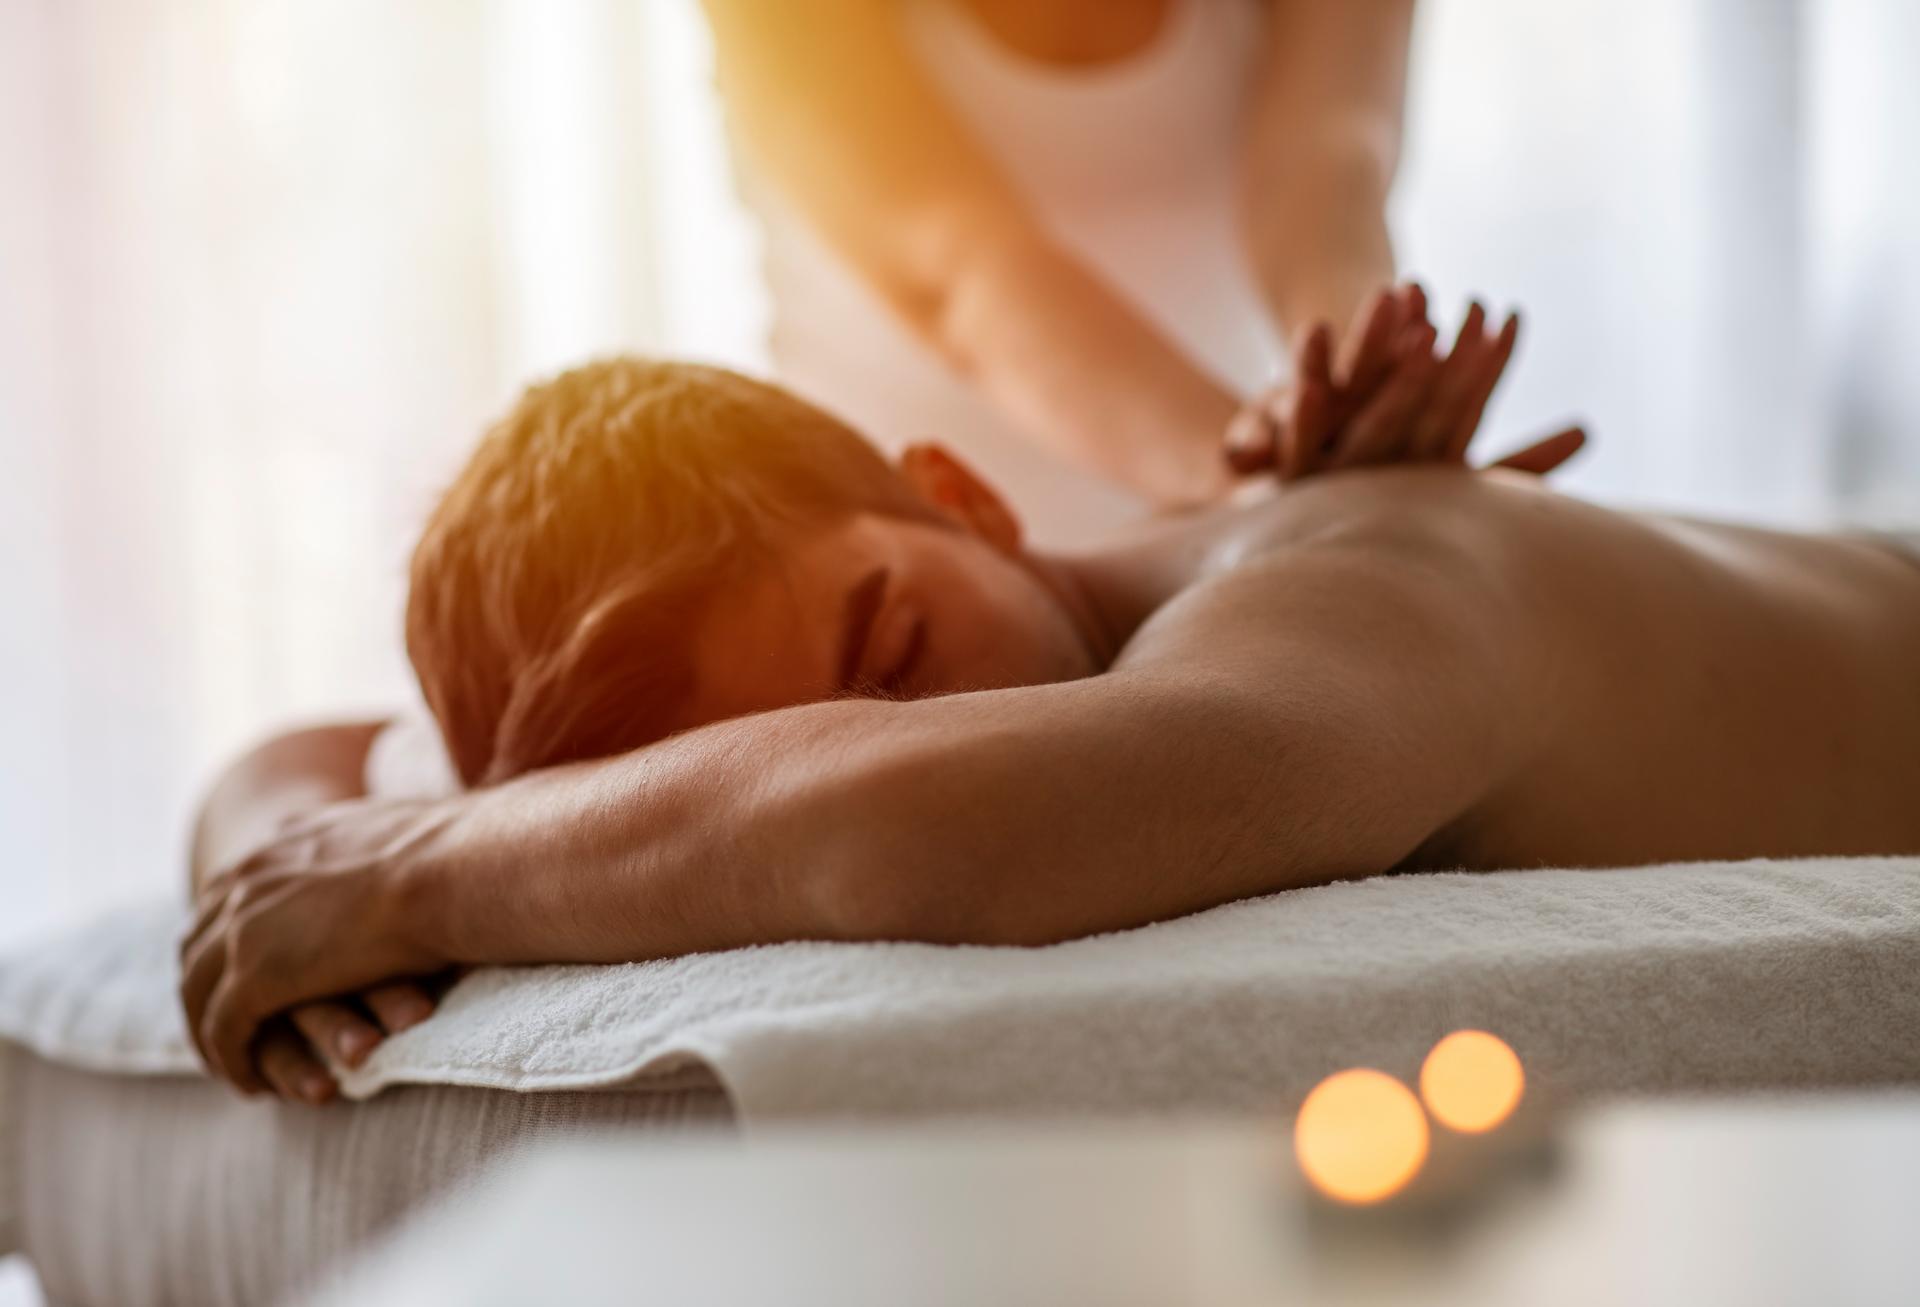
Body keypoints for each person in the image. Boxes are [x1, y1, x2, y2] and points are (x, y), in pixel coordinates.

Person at [180, 301, 1920, 1105]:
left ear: (966, 492)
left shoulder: (1347, 584)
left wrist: (415, 878)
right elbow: (310, 763)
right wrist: (302, 857)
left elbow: (966, 814)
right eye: (739, 764)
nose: (930, 727)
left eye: (895, 659)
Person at [704, 0, 1417, 542]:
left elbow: (1325, 171)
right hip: (907, 576)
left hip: (1227, 532)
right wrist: (1251, 460)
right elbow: (962, 276)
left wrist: (1364, 387)